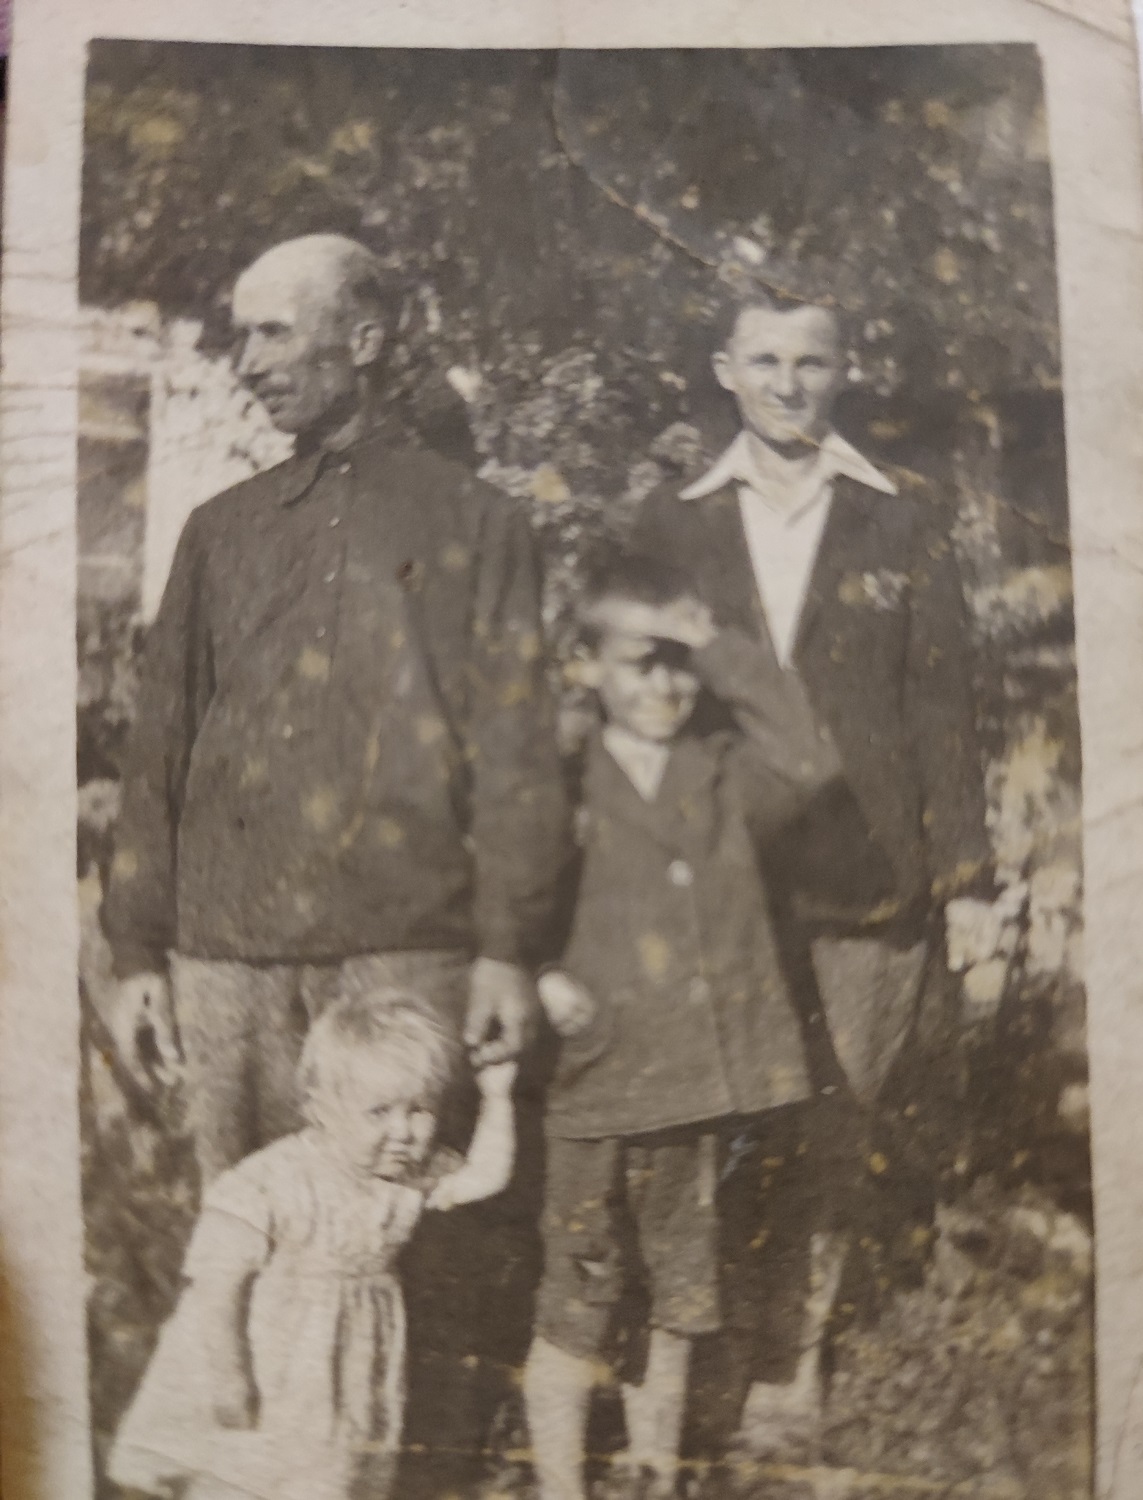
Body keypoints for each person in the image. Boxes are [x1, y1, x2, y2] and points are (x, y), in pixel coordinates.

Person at [99, 232, 569, 1493]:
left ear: (364, 339)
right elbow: (159, 750)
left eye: (274, 331)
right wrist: (137, 948)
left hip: (404, 947)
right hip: (231, 956)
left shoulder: (478, 523)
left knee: (413, 1249)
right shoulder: (221, 532)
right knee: (253, 1242)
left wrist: (509, 950)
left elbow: (520, 752)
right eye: (241, 333)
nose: (248, 361)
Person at [631, 290, 992, 1458]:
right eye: (766, 360)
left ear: (844, 372)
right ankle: (707, 1350)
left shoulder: (905, 518)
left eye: (812, 362)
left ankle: (790, 1363)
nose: (788, 385)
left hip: (870, 882)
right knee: (713, 1115)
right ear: (724, 368)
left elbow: (945, 711)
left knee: (838, 1123)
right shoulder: (671, 521)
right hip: (720, 877)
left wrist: (967, 882)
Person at [521, 554, 893, 1500]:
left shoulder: (722, 771)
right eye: (641, 662)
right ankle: (559, 1485)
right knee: (576, 1295)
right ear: (587, 666)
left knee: (681, 1295)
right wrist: (540, 976)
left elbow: (810, 760)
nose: (666, 684)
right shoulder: (562, 778)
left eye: (679, 664)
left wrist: (714, 642)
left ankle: (654, 1472)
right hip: (595, 1088)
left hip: (691, 1089)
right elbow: (513, 898)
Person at [107, 989, 517, 1500]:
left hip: (351, 1365)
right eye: (379, 1112)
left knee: (332, 1474)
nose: (402, 1131)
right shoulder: (274, 1180)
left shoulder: (412, 1173)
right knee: (247, 1473)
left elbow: (484, 1177)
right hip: (272, 1360)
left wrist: (498, 1096)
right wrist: (229, 1376)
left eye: (420, 1110)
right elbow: (217, 1285)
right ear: (319, 1108)